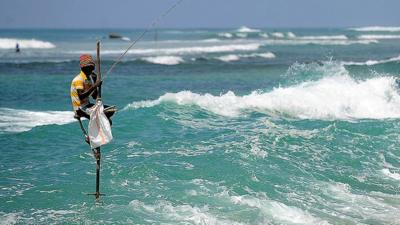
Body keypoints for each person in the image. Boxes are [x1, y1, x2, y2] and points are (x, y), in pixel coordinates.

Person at [70, 54, 116, 145]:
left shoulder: (88, 79)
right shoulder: (79, 79)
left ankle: (95, 133)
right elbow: (81, 96)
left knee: (111, 111)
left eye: (92, 68)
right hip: (80, 108)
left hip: (87, 105)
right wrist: (95, 85)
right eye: (89, 68)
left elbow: (94, 96)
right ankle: (91, 135)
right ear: (83, 68)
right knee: (104, 117)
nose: (91, 70)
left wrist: (95, 83)